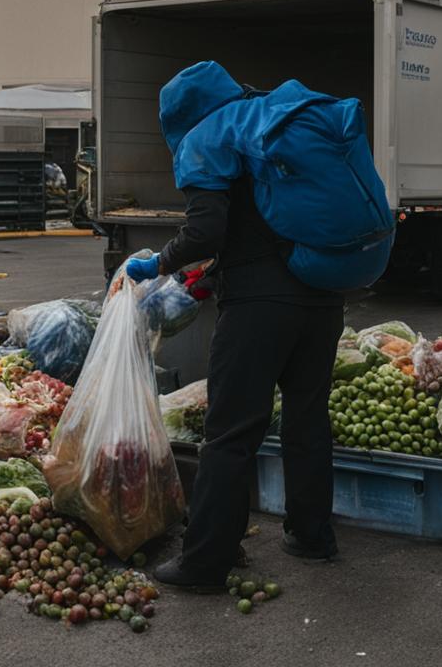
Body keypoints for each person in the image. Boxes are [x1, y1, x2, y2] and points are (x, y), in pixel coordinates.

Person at [126, 63, 344, 590]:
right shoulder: (269, 126)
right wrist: (210, 277)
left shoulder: (212, 137)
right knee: (308, 419)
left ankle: (205, 561)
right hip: (322, 297)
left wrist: (159, 264)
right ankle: (312, 536)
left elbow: (207, 229)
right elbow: (263, 227)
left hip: (259, 310)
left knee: (229, 433)